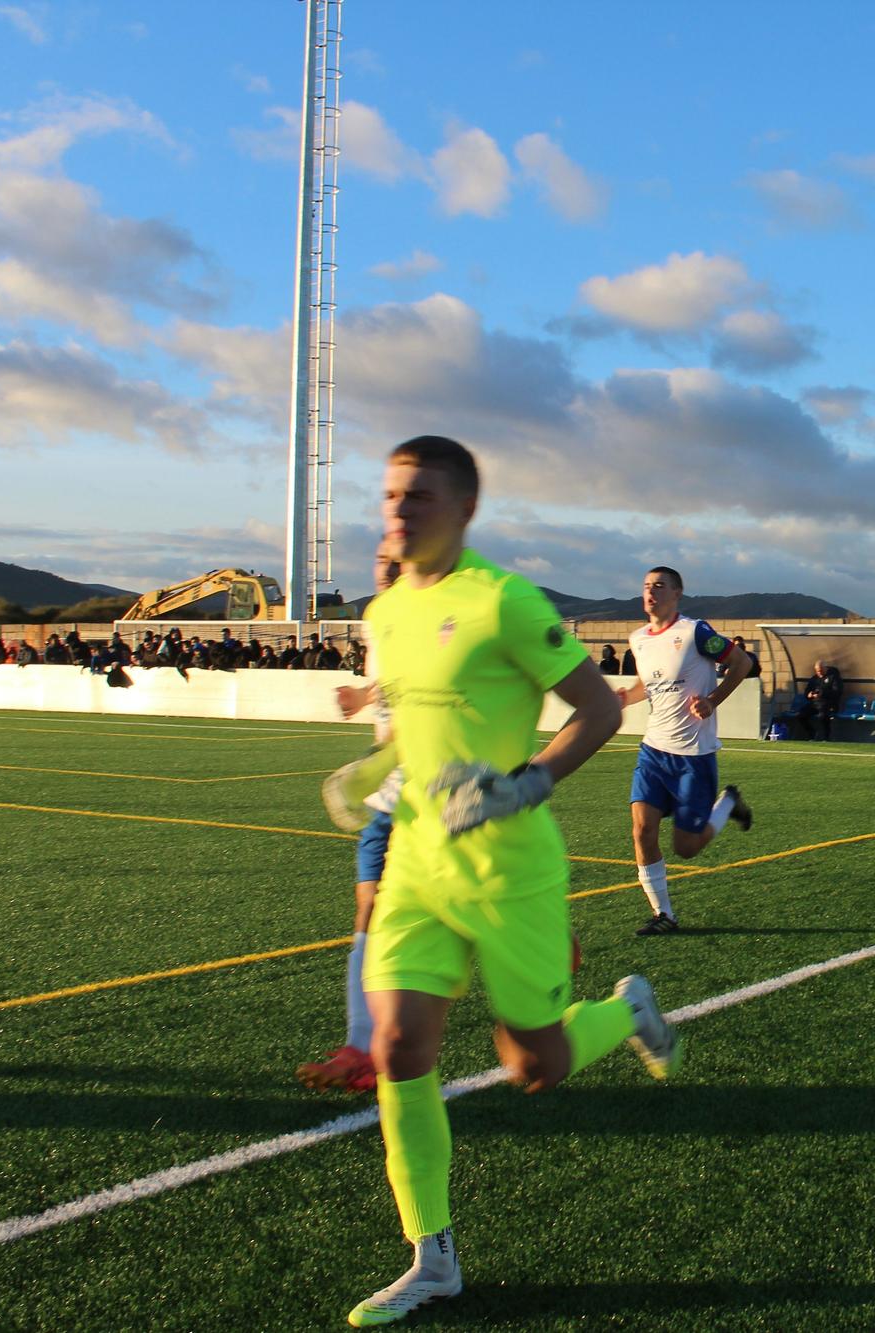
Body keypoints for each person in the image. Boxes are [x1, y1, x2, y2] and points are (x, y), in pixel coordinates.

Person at [338, 435, 675, 1326]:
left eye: (418, 497)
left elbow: (599, 708)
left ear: (465, 509)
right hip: (417, 861)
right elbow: (413, 723)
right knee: (397, 1049)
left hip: (508, 869)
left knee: (534, 1064)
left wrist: (525, 781)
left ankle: (624, 1010)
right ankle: (433, 1255)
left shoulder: (503, 601)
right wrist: (371, 766)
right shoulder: (383, 613)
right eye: (391, 495)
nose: (399, 511)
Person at [303, 544, 408, 1095]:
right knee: (367, 908)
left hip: (436, 794)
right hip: (388, 794)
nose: (386, 564)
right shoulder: (374, 618)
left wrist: (369, 694)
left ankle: (546, 939)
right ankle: (359, 1045)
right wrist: (365, 699)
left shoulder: (436, 612)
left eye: (395, 556)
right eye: (378, 555)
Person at [614, 565, 755, 936]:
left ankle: (727, 804)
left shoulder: (695, 632)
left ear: (677, 593)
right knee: (642, 830)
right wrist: (622, 698)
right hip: (654, 751)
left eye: (659, 586)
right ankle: (665, 915)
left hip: (694, 755)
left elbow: (742, 663)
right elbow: (649, 683)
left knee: (687, 848)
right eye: (646, 586)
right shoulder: (638, 638)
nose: (651, 592)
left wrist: (712, 700)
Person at [799, 660, 842, 740]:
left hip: (829, 704)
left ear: (825, 668)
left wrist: (822, 694)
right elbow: (807, 692)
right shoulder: (814, 679)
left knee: (823, 715)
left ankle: (826, 737)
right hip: (815, 704)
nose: (819, 672)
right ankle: (812, 732)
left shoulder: (833, 677)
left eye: (821, 670)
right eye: (817, 671)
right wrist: (809, 695)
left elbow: (837, 692)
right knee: (801, 715)